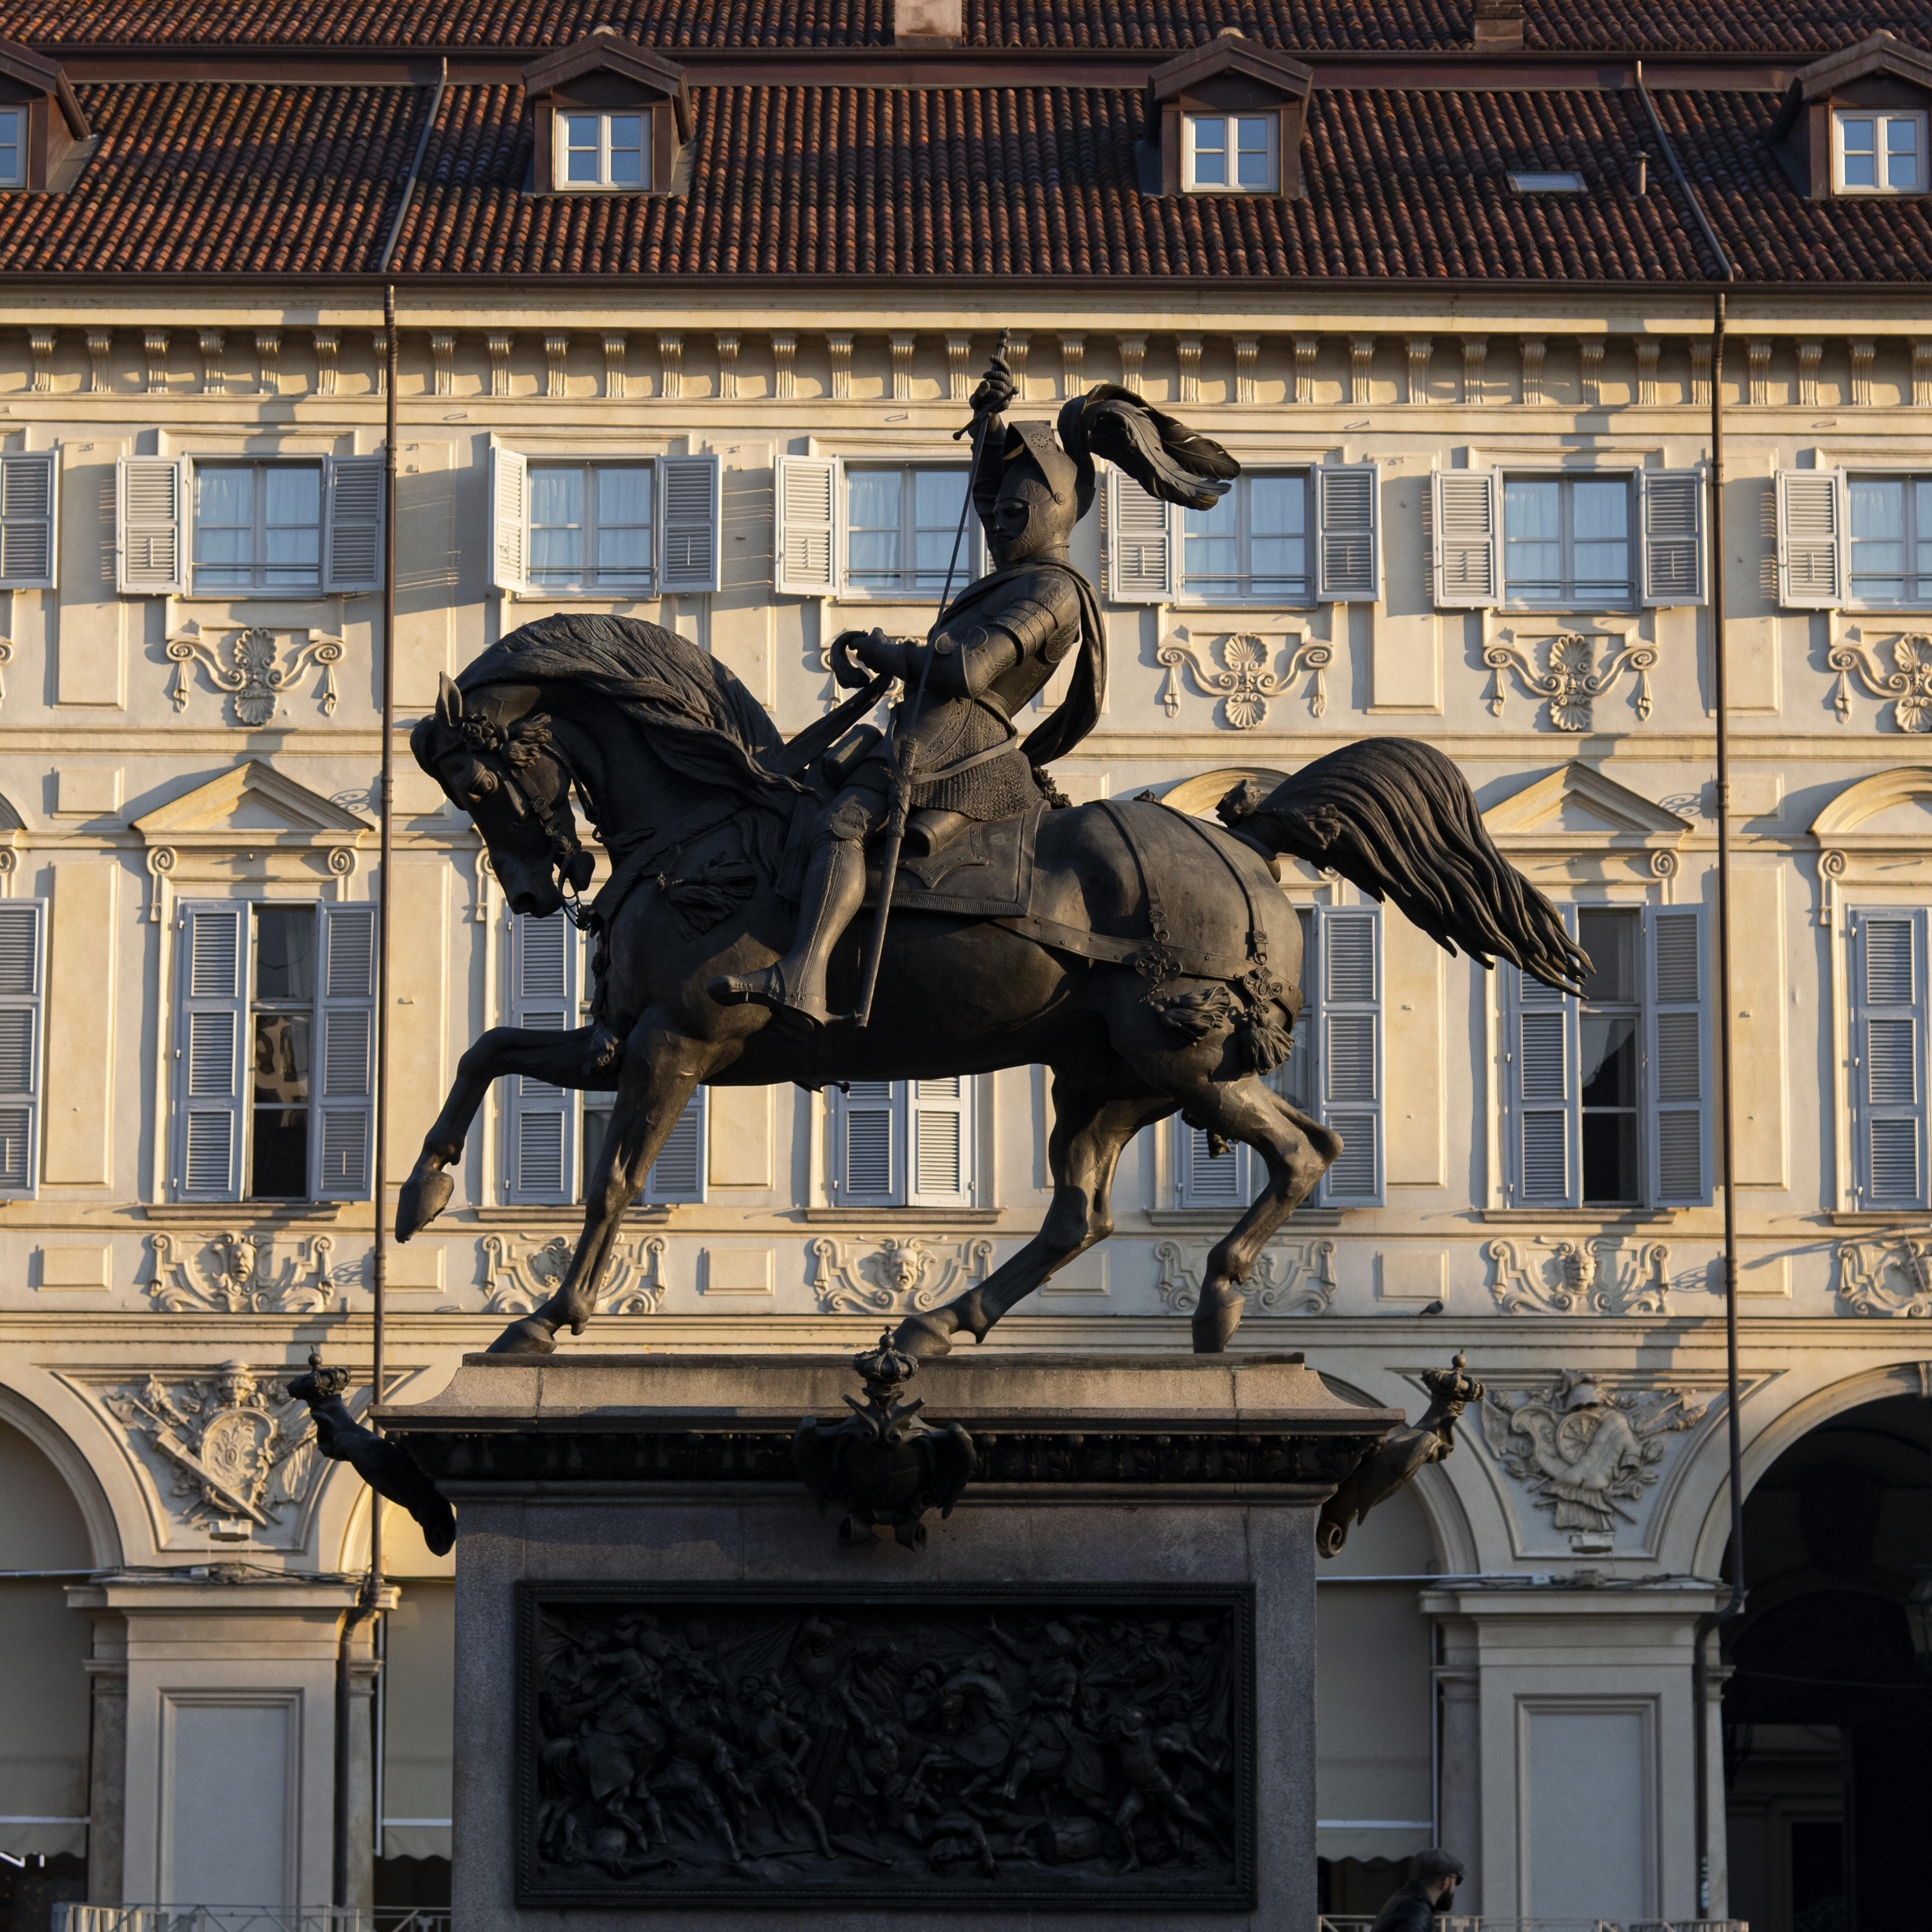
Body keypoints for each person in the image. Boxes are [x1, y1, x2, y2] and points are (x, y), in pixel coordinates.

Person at [708, 353, 1234, 1028]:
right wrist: (990, 424)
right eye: (999, 512)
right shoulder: (1013, 577)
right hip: (925, 733)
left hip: (962, 747)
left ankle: (802, 976)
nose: (1001, 522)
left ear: (1052, 511)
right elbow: (986, 499)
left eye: (1017, 511)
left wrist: (887, 651)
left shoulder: (1052, 590)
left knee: (841, 824)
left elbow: (967, 672)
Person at [1368, 1847, 1467, 1930]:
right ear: (1446, 1882)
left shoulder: (1405, 1898)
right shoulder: (1417, 1910)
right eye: (1456, 1881)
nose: (1454, 1889)